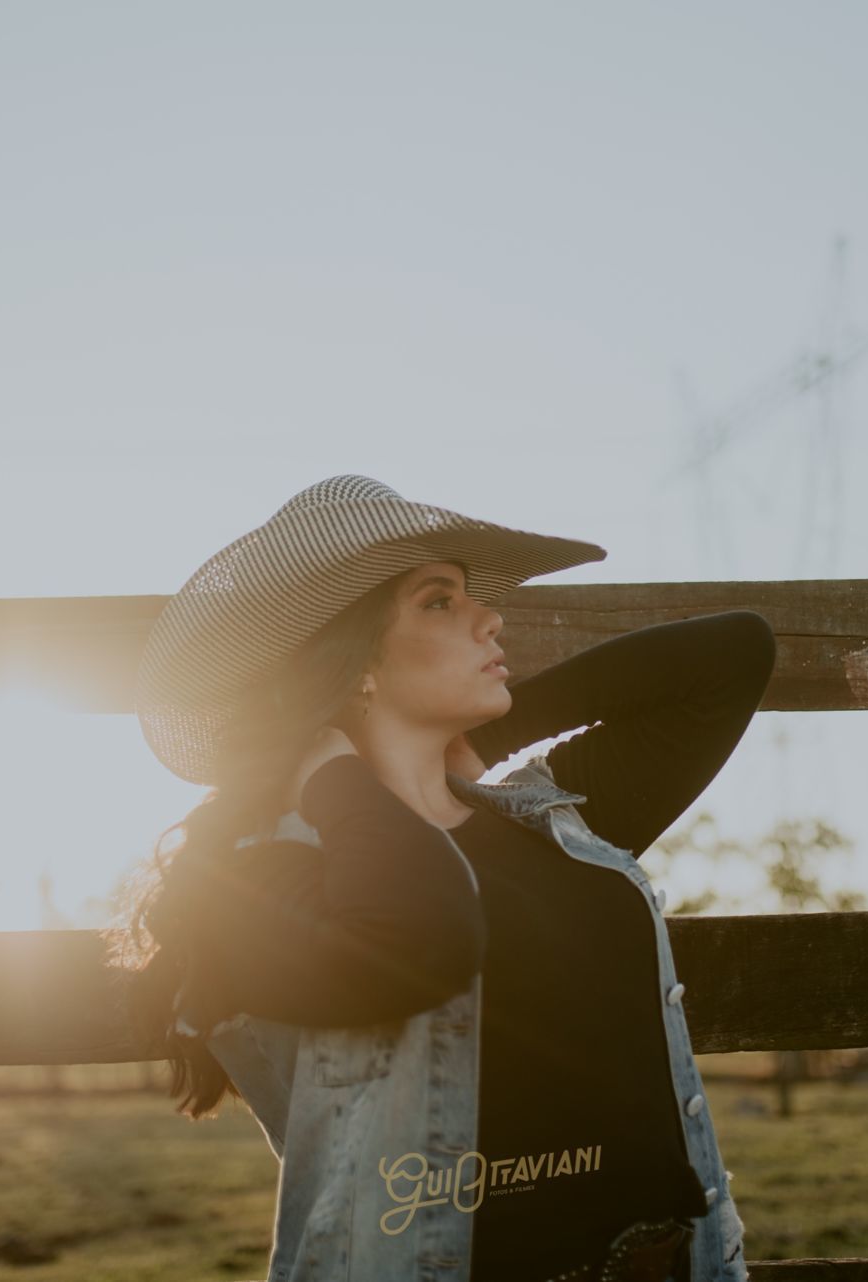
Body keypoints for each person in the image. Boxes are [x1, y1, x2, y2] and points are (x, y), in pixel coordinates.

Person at [103, 474, 773, 1282]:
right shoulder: (255, 883)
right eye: (438, 602)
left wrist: (487, 733)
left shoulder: (548, 824)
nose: (490, 617)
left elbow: (732, 655)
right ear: (354, 665)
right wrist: (334, 777)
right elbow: (421, 935)